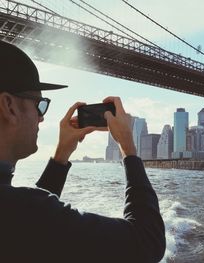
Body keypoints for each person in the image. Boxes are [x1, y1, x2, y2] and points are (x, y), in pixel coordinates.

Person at [0, 40, 166, 262]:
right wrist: (128, 147)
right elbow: (147, 241)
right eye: (40, 104)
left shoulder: (18, 214)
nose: (42, 117)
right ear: (8, 106)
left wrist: (61, 157)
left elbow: (27, 226)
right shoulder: (22, 211)